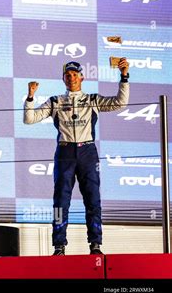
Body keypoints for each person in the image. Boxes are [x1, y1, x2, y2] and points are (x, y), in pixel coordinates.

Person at [24, 58, 130, 255]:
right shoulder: (55, 101)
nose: (71, 78)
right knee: (60, 202)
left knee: (93, 199)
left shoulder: (92, 100)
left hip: (87, 152)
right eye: (67, 75)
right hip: (64, 152)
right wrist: (30, 97)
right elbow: (29, 119)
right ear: (63, 79)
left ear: (82, 77)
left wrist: (124, 77)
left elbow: (120, 102)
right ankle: (59, 246)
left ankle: (96, 244)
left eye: (75, 74)